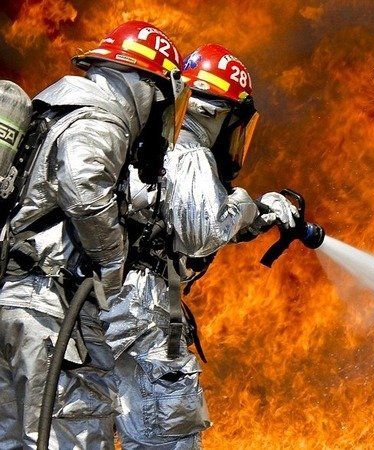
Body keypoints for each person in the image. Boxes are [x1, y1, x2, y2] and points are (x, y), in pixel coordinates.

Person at [0, 21, 188, 449]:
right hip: (47, 308)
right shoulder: (101, 118)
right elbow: (84, 190)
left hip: (11, 298)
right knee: (72, 432)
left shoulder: (54, 109)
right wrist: (112, 263)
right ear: (144, 88)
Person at [102, 43, 297, 449]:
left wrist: (259, 217)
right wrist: (247, 204)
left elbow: (174, 219)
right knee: (166, 433)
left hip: (106, 302)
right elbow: (203, 231)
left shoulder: (149, 141)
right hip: (143, 309)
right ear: (223, 113)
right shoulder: (189, 150)